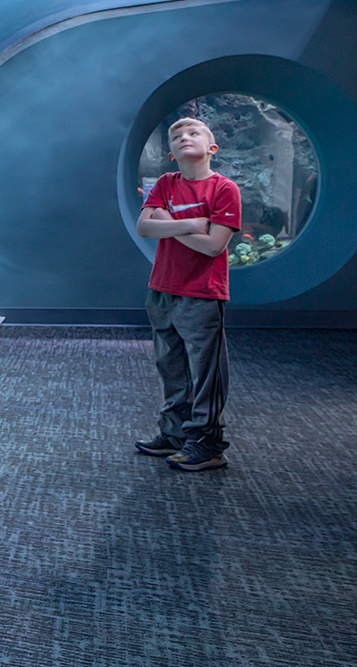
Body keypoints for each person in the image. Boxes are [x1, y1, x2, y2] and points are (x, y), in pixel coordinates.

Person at [134, 117, 240, 471]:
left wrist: (167, 221)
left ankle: (207, 444)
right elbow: (145, 227)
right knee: (171, 366)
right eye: (177, 136)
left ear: (212, 148)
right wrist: (191, 223)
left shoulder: (224, 189)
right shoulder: (166, 182)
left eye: (193, 133)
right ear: (170, 153)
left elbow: (213, 247)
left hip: (202, 293)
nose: (184, 138)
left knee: (204, 371)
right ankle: (175, 434)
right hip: (161, 290)